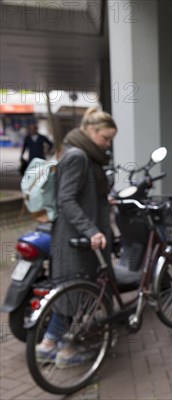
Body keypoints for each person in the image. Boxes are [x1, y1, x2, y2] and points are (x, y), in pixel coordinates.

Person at [35, 108, 117, 368]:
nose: (107, 144)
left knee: (71, 294)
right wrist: (91, 230)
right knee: (77, 295)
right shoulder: (78, 156)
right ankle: (66, 352)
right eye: (105, 138)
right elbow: (66, 200)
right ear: (91, 131)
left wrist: (102, 200)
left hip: (77, 238)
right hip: (76, 240)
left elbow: (79, 193)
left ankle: (48, 346)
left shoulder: (81, 153)